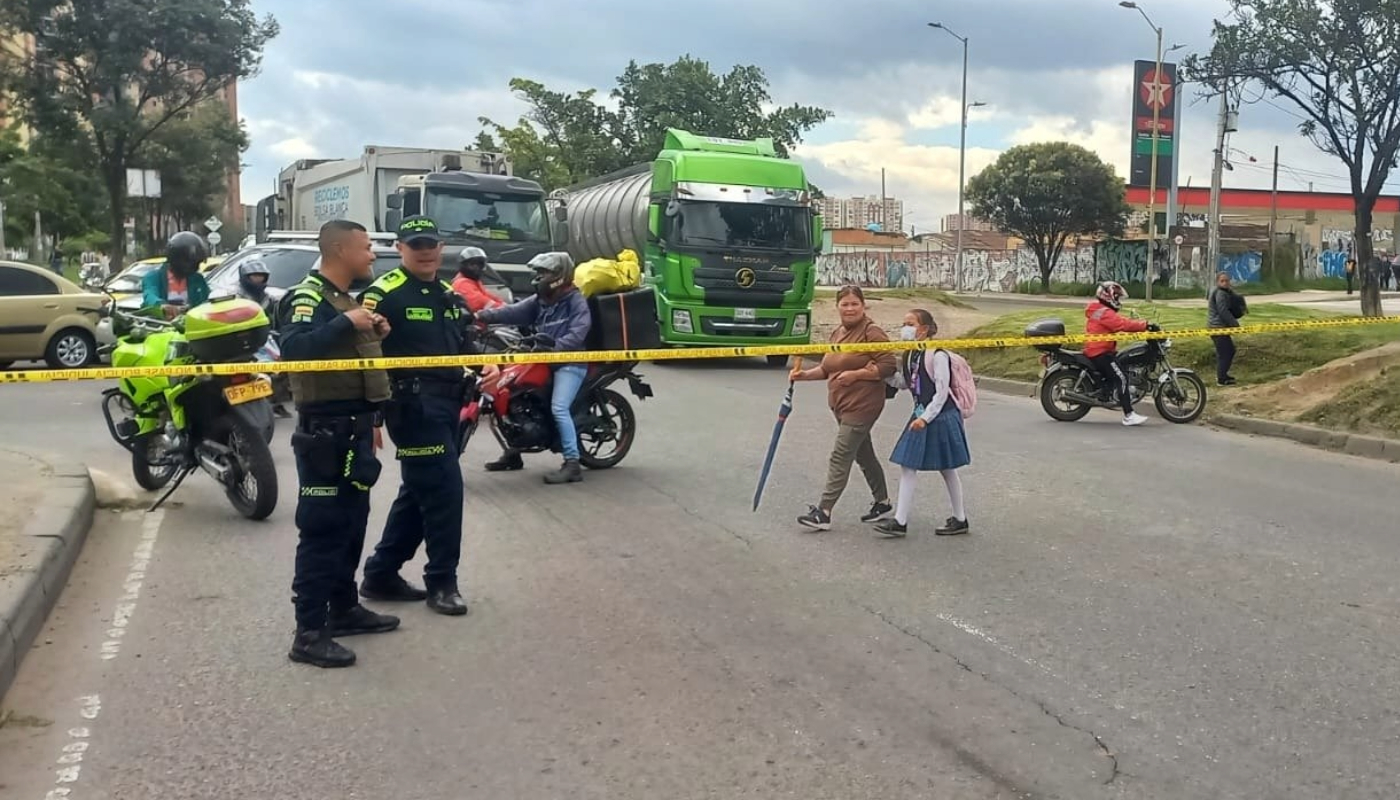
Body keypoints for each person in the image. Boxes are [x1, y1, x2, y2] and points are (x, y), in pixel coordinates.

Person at [278, 219, 397, 669]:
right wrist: (346, 323)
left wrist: (369, 328)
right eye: (366, 248)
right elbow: (294, 350)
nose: (371, 256)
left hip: (355, 427)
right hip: (325, 433)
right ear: (340, 250)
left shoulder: (346, 300)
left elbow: (353, 363)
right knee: (322, 530)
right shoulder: (308, 298)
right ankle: (308, 632)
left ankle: (344, 609)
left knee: (352, 524)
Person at [358, 216, 472, 616]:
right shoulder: (383, 294)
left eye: (431, 244)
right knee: (444, 491)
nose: (425, 251)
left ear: (441, 247)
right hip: (412, 407)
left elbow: (466, 345)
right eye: (416, 244)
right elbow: (363, 355)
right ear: (400, 248)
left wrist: (486, 365)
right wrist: (372, 415)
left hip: (449, 404)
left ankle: (381, 573)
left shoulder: (447, 294)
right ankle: (442, 581)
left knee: (420, 491)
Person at [474, 252, 593, 484]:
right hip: (542, 360)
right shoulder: (541, 301)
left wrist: (558, 347)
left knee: (559, 407)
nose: (538, 278)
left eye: (544, 273)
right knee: (510, 398)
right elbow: (511, 312)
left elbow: (580, 328)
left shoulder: (575, 300)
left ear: (559, 276)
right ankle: (514, 453)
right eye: (538, 273)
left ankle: (572, 464)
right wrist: (480, 316)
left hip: (570, 363)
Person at [789, 285, 896, 531]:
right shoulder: (837, 333)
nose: (850, 308)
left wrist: (857, 375)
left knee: (841, 455)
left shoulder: (872, 332)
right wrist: (804, 375)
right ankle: (882, 502)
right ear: (837, 307)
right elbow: (828, 369)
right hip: (841, 404)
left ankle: (824, 511)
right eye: (845, 304)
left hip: (863, 405)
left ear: (863, 305)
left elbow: (889, 365)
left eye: (854, 304)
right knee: (863, 454)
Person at [875, 309, 970, 538]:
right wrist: (881, 373)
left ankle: (958, 518)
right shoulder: (910, 354)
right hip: (922, 414)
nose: (905, 328)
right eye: (904, 323)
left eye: (910, 323)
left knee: (946, 468)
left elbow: (941, 392)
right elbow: (906, 382)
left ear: (924, 329)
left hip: (938, 415)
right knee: (909, 464)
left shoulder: (937, 355)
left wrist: (924, 418)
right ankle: (903, 520)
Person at [1084, 280, 1155, 427]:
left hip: (1099, 350)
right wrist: (1145, 325)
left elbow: (1120, 321)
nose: (1117, 300)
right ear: (1108, 296)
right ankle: (1129, 415)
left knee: (1119, 370)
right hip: (1100, 352)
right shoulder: (1104, 312)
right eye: (1116, 297)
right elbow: (1122, 324)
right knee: (1122, 378)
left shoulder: (1099, 309)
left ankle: (1112, 394)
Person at [142, 231, 211, 319]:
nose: (196, 268)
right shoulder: (153, 277)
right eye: (193, 264)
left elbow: (207, 301)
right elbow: (149, 296)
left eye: (197, 264)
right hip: (159, 326)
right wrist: (162, 306)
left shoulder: (197, 279)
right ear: (178, 260)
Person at [1207, 271, 1242, 386]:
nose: (1225, 283)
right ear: (1217, 282)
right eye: (1222, 281)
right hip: (1217, 328)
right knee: (1227, 352)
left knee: (1227, 351)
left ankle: (1223, 375)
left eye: (1227, 280)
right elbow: (1223, 311)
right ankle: (1221, 379)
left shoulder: (1223, 292)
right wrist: (1234, 324)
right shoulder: (1220, 294)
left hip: (1220, 328)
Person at [452, 246, 506, 313]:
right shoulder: (462, 283)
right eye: (473, 265)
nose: (477, 268)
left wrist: (506, 306)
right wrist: (505, 310)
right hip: (474, 321)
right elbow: (481, 303)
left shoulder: (473, 281)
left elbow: (488, 296)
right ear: (463, 265)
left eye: (480, 264)